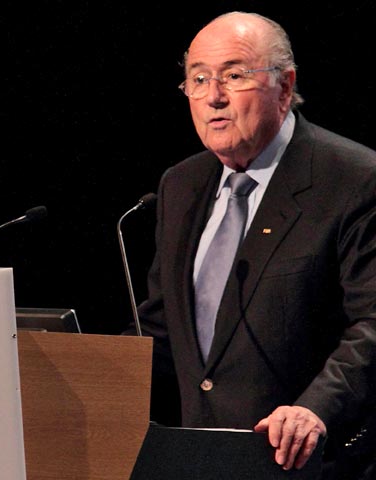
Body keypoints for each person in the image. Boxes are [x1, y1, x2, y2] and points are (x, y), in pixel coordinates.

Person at [125, 11, 376, 480]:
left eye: (234, 75)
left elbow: (372, 322)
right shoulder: (181, 185)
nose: (213, 96)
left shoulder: (353, 179)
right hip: (199, 460)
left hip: (307, 463)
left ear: (285, 86)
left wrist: (315, 408)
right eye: (199, 79)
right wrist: (75, 374)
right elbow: (162, 328)